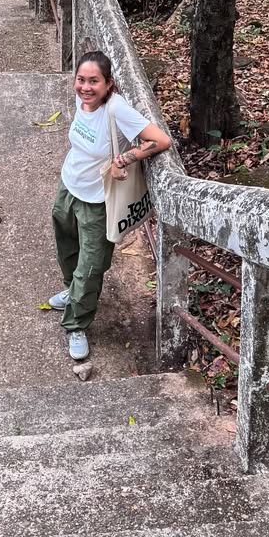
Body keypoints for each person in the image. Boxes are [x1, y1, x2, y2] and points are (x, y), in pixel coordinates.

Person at [49, 50, 171, 361]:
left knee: (90, 266)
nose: (85, 88)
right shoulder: (82, 100)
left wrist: (125, 159)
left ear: (109, 84)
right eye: (81, 80)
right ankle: (72, 292)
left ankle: (77, 322)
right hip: (69, 186)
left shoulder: (117, 109)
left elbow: (159, 140)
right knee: (67, 248)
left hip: (97, 201)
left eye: (94, 82)